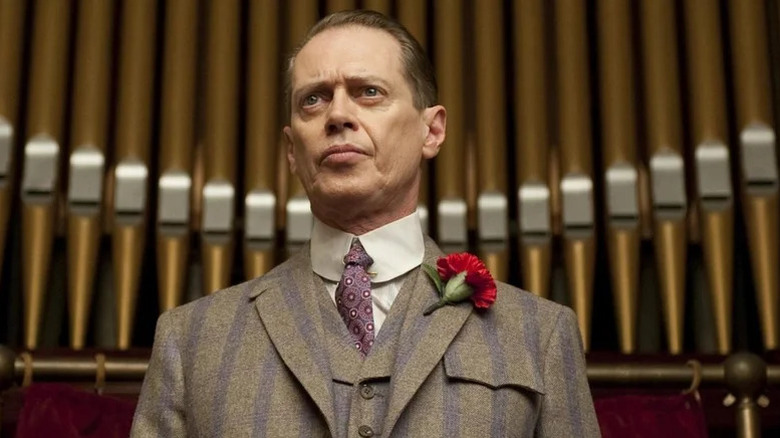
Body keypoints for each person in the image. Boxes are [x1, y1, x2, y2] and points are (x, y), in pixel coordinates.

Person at [131, 10, 600, 437]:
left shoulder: (539, 334)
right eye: (313, 100)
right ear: (292, 150)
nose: (337, 115)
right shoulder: (190, 339)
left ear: (432, 131)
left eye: (368, 92)